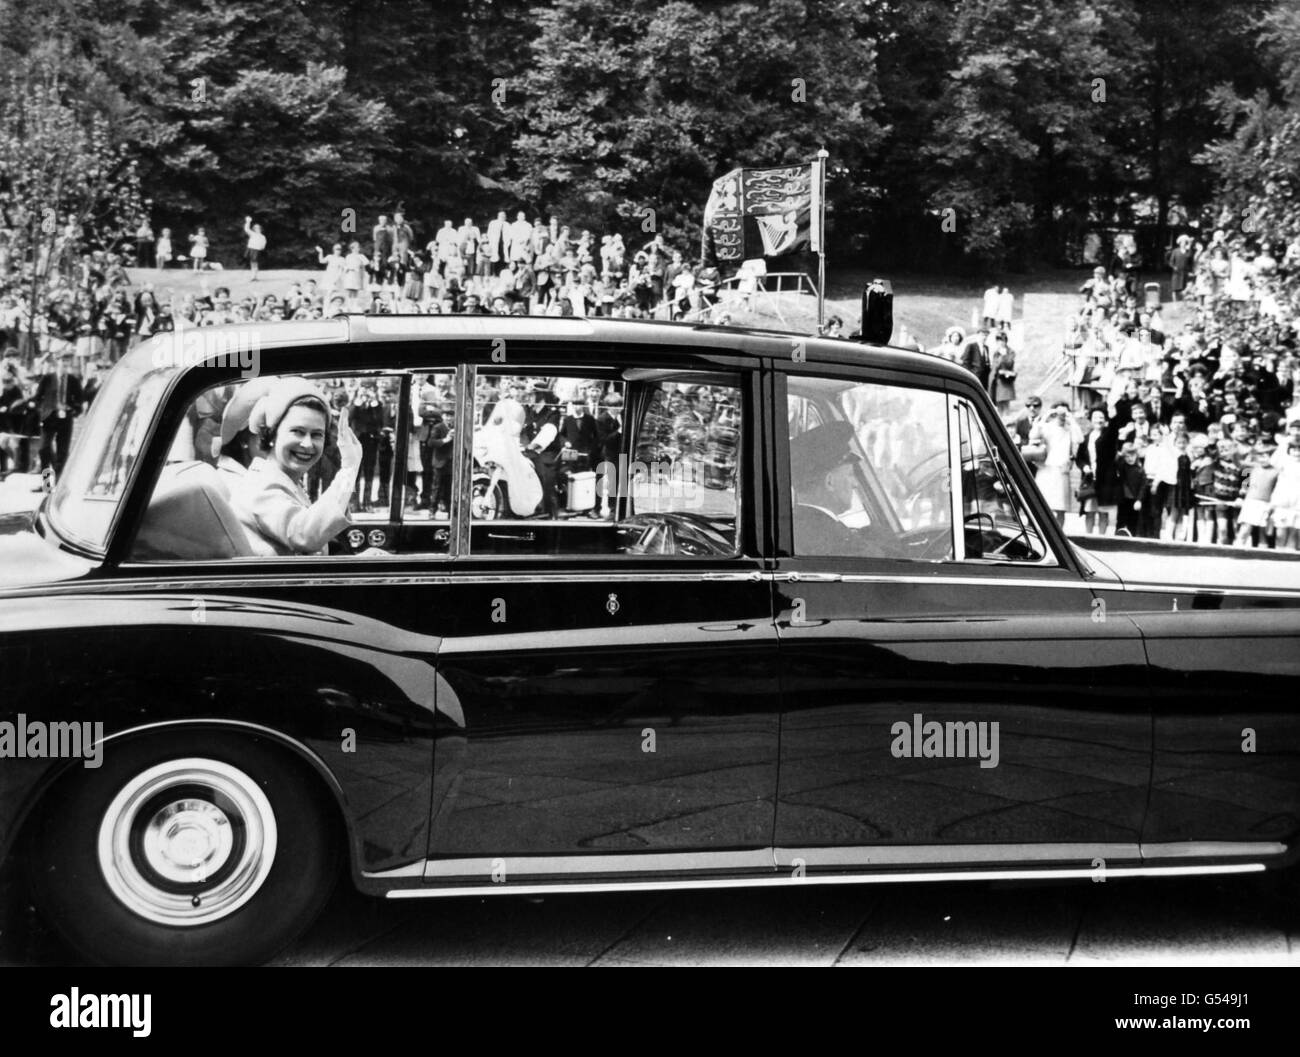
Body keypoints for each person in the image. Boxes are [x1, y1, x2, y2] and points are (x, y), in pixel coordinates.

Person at [229, 377, 362, 556]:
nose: (307, 444)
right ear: (272, 434)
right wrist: (348, 468)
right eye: (297, 432)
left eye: (316, 435)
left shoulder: (284, 481)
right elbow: (304, 536)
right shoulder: (260, 486)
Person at [1029, 402, 1083, 526]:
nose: (1062, 417)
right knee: (1041, 505)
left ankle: (1058, 535)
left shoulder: (1070, 428)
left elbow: (1079, 439)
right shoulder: (1048, 426)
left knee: (1061, 508)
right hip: (1046, 469)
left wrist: (1072, 420)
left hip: (1061, 470)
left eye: (1064, 414)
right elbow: (1032, 435)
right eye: (1059, 414)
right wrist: (1045, 417)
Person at [35, 350, 83, 477]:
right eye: (63, 360)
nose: (65, 363)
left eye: (67, 361)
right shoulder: (47, 378)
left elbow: (79, 400)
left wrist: (72, 410)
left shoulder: (73, 380)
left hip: (65, 418)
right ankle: (47, 483)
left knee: (62, 452)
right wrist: (43, 410)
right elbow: (37, 398)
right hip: (49, 418)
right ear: (57, 361)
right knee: (43, 449)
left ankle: (57, 482)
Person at [1075, 408, 1117, 535]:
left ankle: (1102, 538)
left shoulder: (1109, 435)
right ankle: (1088, 536)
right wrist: (1084, 467)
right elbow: (1079, 458)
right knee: (1089, 511)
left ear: (1105, 420)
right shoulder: (1086, 438)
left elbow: (1113, 430)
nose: (1098, 420)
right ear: (1091, 420)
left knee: (1103, 511)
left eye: (1101, 417)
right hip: (1090, 479)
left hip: (1105, 479)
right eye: (1096, 417)